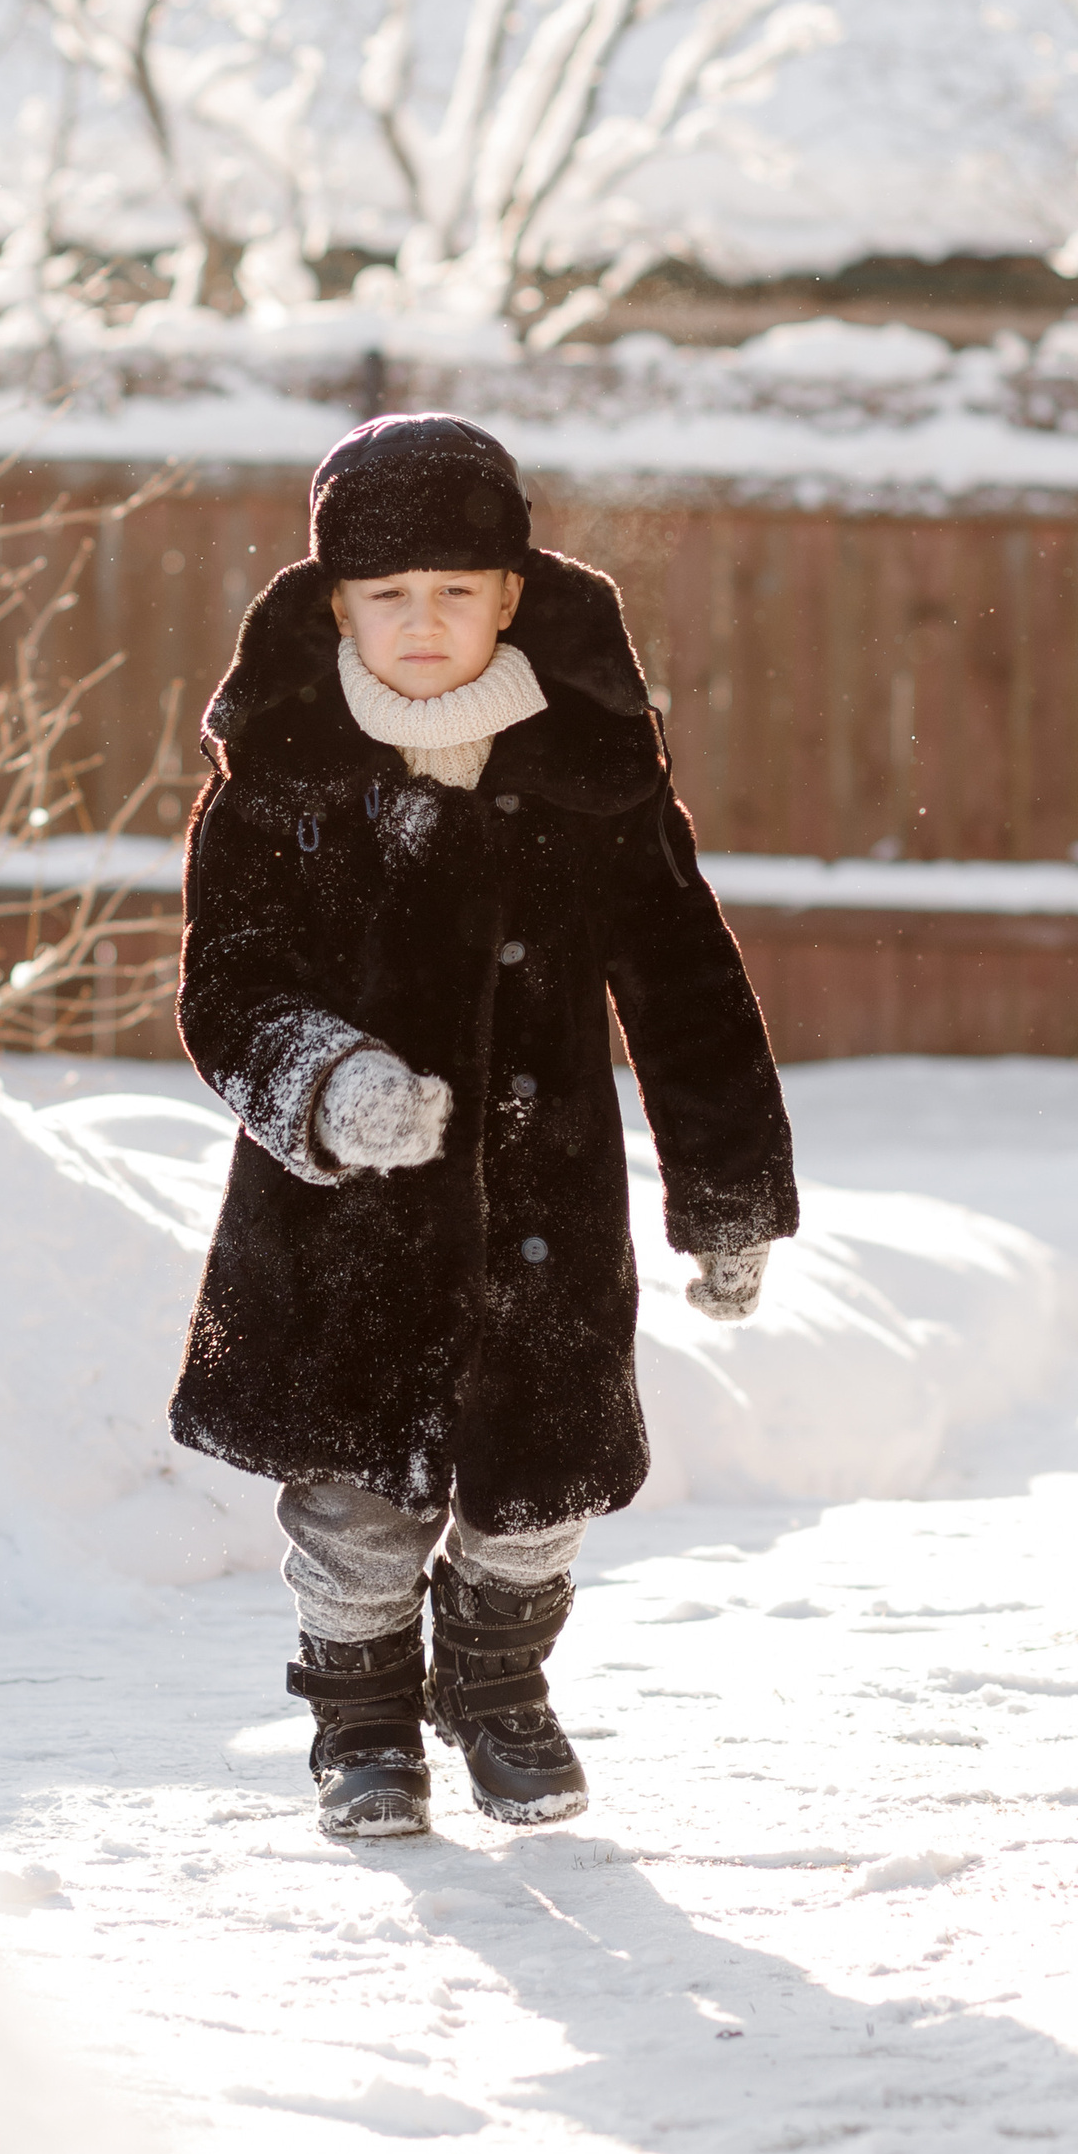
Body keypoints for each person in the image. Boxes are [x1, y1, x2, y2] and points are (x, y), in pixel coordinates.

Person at [169, 411, 798, 1838]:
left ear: (515, 593)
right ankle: (366, 1723)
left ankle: (501, 1687)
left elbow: (689, 981)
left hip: (540, 1197)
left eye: (459, 591)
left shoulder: (590, 769)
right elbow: (229, 985)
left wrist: (729, 1192)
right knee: (358, 1497)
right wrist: (327, 1082)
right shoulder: (281, 774)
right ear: (335, 605)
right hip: (341, 1219)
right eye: (388, 596)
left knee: (534, 1485)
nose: (424, 623)